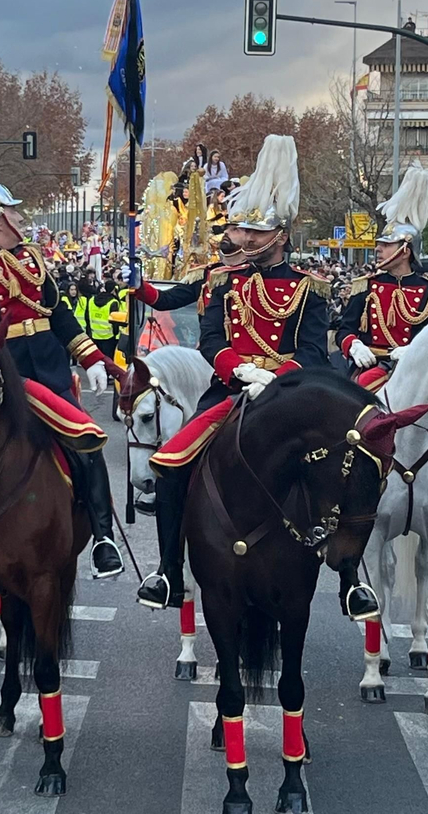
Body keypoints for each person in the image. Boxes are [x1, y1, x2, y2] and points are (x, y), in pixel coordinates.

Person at [136, 135, 330, 612]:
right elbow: (209, 341)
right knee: (170, 465)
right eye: (243, 231)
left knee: (339, 468)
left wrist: (278, 378)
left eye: (255, 233)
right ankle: (168, 573)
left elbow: (311, 352)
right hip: (227, 391)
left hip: (286, 396)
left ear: (279, 237)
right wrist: (240, 369)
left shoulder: (312, 288)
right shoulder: (224, 281)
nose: (243, 238)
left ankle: (347, 570)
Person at [0, 125, 121, 584]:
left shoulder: (33, 259)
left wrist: (91, 358)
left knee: (87, 441)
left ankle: (103, 538)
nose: (19, 214)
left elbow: (58, 314)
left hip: (48, 373)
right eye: (11, 209)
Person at [335, 166, 428, 393]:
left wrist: (415, 350)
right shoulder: (366, 286)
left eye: (386, 245)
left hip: (415, 372)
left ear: (405, 250)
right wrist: (354, 345)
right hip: (369, 367)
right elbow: (344, 330)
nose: (378, 249)